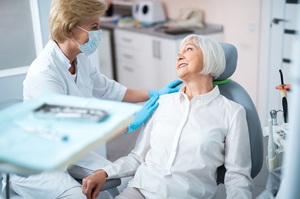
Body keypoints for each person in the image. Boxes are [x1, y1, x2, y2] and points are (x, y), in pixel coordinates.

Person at [5, 0, 181, 198]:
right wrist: (128, 122)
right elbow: (73, 129)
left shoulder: (79, 59)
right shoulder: (44, 74)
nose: (99, 34)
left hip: (67, 152)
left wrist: (154, 93)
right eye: (94, 27)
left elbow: (110, 91)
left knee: (122, 179)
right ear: (70, 27)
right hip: (37, 160)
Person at [82, 34, 253, 199]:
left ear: (210, 58)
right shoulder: (163, 102)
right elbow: (137, 157)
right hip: (140, 191)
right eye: (179, 53)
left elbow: (237, 176)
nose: (179, 56)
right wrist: (104, 172)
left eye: (188, 49)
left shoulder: (232, 112)